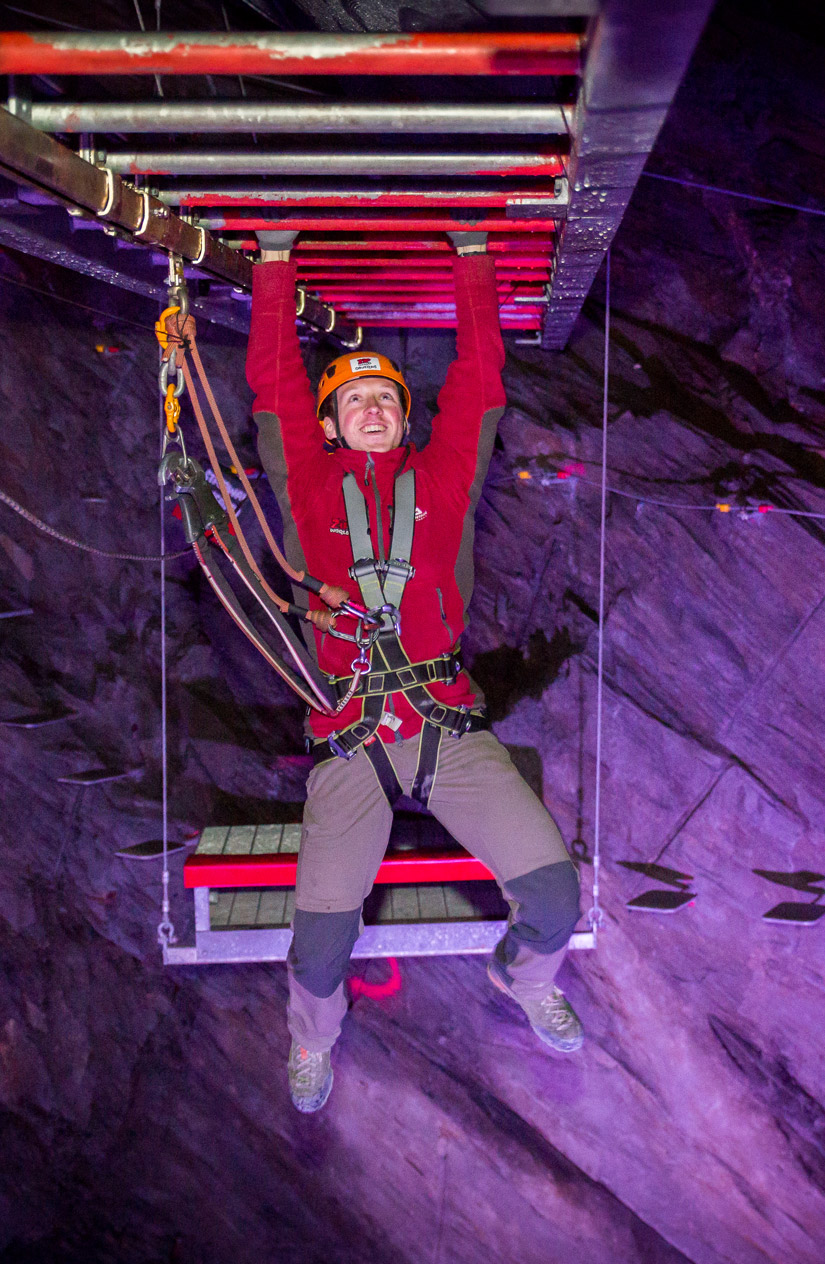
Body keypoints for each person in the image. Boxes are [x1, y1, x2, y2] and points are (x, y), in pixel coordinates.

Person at [248, 227, 585, 1115]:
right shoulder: (308, 489)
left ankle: (523, 975)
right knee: (319, 943)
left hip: (445, 725)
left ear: (406, 417)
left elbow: (479, 383)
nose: (369, 405)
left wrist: (474, 257)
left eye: (386, 397)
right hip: (350, 742)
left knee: (554, 891)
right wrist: (276, 262)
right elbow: (274, 385)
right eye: (352, 397)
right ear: (326, 424)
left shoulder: (442, 481)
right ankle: (313, 1038)